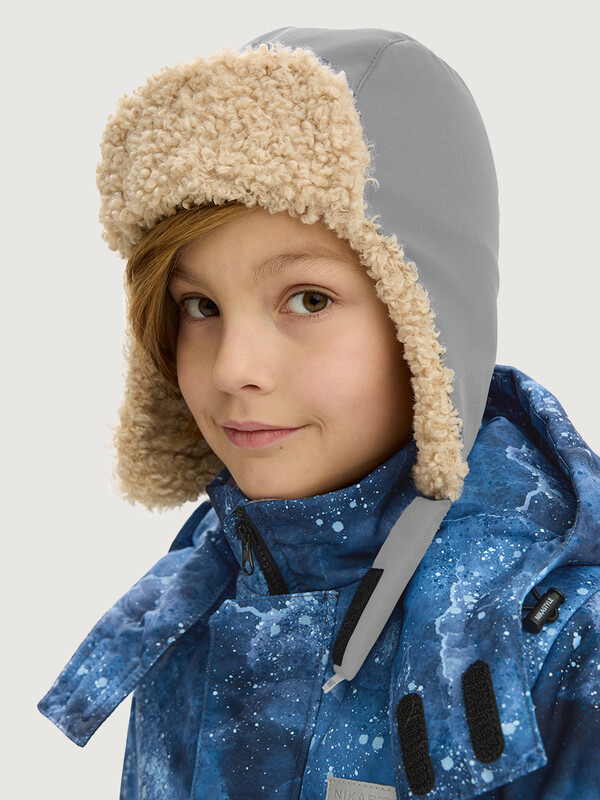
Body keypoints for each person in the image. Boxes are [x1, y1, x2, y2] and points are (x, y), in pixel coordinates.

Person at [37, 27, 600, 800]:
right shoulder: (203, 592)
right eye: (199, 305)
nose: (233, 368)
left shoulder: (560, 650)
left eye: (307, 299)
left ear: (431, 320)